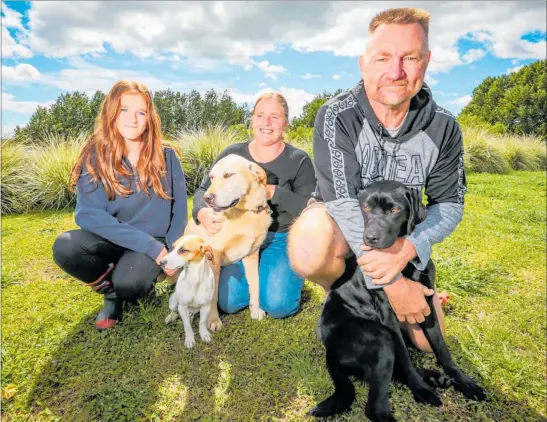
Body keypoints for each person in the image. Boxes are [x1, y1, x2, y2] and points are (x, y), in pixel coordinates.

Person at [288, 7, 466, 352]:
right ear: (363, 62)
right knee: (309, 245)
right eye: (383, 58)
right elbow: (341, 203)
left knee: (429, 345)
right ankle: (342, 297)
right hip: (341, 227)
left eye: (410, 57)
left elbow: (449, 205)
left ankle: (413, 285)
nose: (396, 72)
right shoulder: (337, 114)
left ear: (426, 61)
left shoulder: (444, 127)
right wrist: (395, 284)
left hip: (400, 240)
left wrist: (412, 247)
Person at [52, 80, 188, 331]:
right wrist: (149, 245)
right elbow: (88, 215)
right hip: (113, 239)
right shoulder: (95, 155)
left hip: (151, 244)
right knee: (66, 247)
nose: (133, 119)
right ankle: (111, 295)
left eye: (141, 112)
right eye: (124, 109)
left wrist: (170, 251)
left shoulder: (167, 156)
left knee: (130, 284)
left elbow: (179, 210)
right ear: (111, 112)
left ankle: (127, 285)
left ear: (150, 117)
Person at [192, 93, 316, 319]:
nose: (266, 123)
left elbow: (310, 209)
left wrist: (271, 192)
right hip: (238, 237)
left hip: (280, 237)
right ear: (252, 120)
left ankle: (282, 271)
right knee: (228, 303)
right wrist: (202, 213)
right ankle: (263, 274)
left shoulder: (299, 160)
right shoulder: (232, 154)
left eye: (274, 117)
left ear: (286, 123)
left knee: (279, 306)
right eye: (260, 115)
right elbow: (202, 192)